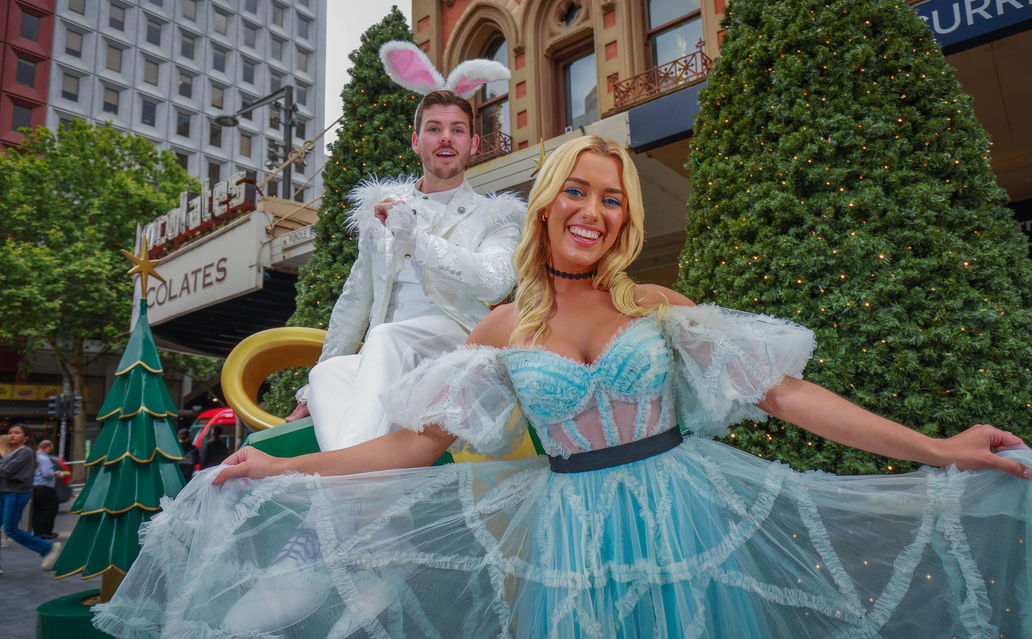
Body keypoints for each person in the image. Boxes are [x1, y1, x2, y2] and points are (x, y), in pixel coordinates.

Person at [93, 136, 1032, 638]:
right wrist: (287, 470)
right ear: (547, 201)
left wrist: (938, 447)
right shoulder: (502, 329)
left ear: (624, 219)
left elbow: (789, 397)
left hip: (683, 517)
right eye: (577, 190)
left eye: (612, 196)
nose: (594, 209)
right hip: (572, 539)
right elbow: (416, 445)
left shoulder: (661, 306)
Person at [287, 88, 524, 452]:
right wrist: (309, 393)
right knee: (327, 374)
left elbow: (495, 282)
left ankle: (342, 479)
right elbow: (354, 302)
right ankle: (359, 477)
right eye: (434, 129)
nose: (446, 137)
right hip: (388, 359)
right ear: (416, 141)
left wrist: (417, 241)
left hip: (458, 348)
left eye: (457, 130)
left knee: (386, 338)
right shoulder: (380, 210)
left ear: (474, 144)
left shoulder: (496, 216)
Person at [0, 425, 61, 571]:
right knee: (10, 529)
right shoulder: (11, 453)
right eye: (10, 433)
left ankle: (48, 547)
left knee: (11, 529)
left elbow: (6, 471)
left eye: (17, 433)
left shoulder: (25, 452)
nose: (12, 435)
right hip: (4, 492)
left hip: (15, 493)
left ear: (26, 437)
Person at [30, 439, 59, 540]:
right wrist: (55, 473)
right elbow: (46, 474)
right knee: (49, 510)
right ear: (48, 448)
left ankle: (38, 532)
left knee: (37, 511)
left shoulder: (34, 457)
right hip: (44, 487)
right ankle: (46, 531)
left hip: (34, 487)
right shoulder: (45, 459)